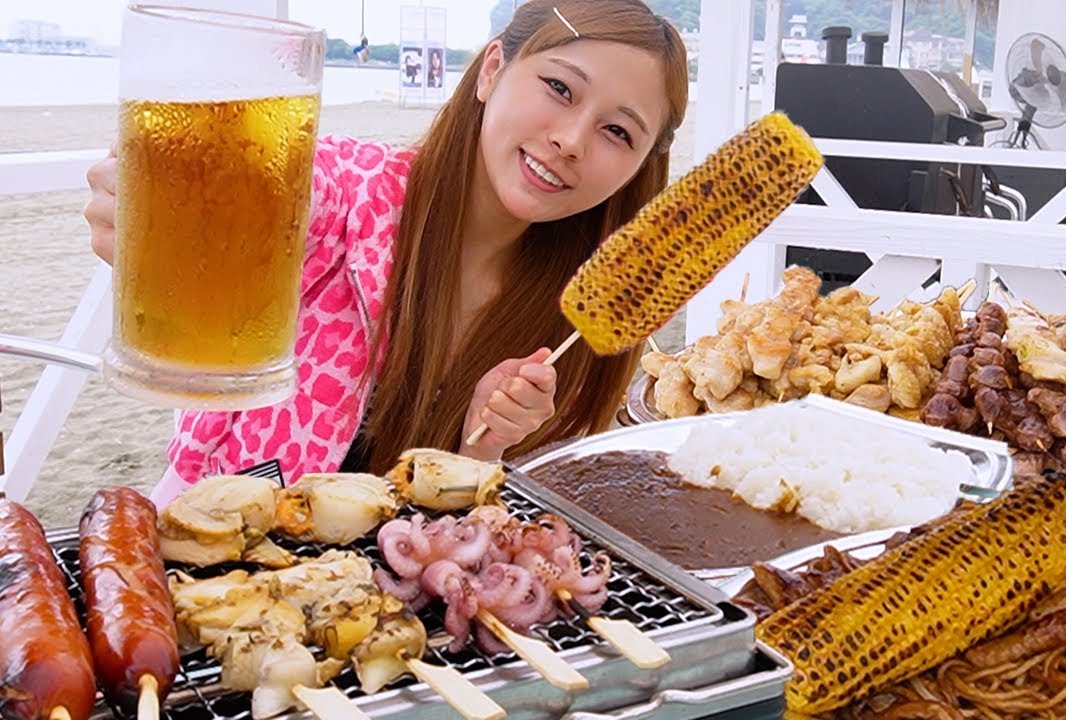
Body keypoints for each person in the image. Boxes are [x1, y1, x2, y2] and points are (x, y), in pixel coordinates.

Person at [83, 0, 688, 507]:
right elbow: (272, 187)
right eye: (559, 88)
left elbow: (479, 532)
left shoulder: (580, 322)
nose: (570, 140)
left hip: (406, 604)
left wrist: (486, 449)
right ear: (492, 70)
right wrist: (157, 206)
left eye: (618, 132)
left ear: (639, 166)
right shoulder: (347, 191)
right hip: (219, 547)